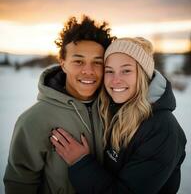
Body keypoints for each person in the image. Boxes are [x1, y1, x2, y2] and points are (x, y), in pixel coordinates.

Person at [51, 37, 187, 194]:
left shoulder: (161, 128)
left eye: (126, 70)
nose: (115, 80)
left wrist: (80, 163)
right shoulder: (109, 109)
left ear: (143, 74)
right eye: (109, 71)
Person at [4, 15, 114, 194]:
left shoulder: (117, 111)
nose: (88, 70)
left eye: (97, 62)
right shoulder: (34, 119)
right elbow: (20, 183)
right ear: (63, 63)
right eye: (78, 61)